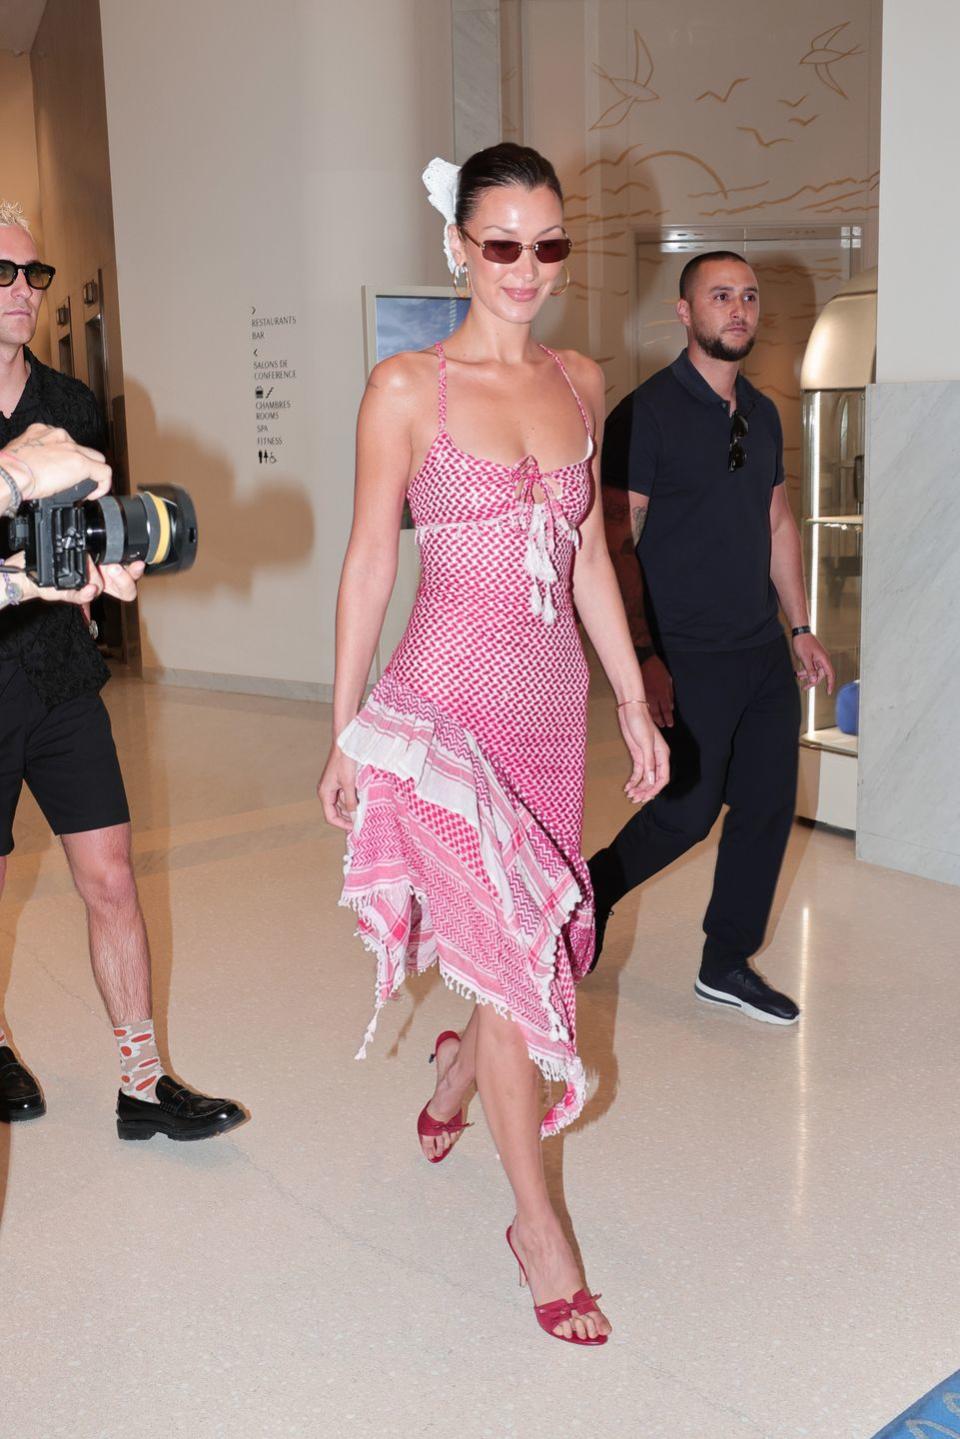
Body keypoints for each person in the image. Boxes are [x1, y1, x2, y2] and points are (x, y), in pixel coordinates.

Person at [319, 144, 668, 1344]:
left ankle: (467, 1064)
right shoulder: (407, 388)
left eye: (549, 244)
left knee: (520, 945)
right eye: (503, 242)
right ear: (459, 245)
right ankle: (537, 1225)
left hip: (547, 709)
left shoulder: (579, 380)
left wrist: (629, 697)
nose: (528, 267)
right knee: (521, 956)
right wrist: (344, 729)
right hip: (445, 707)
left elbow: (583, 558)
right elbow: (371, 559)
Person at [0, 200, 245, 1141]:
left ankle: (143, 1082)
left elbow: (92, 531)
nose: (24, 291)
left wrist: (113, 569)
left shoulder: (70, 404)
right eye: (4, 274)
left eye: (35, 274)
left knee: (111, 879)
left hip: (62, 679)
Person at [589, 250, 835, 1024]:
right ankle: (590, 891)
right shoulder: (646, 413)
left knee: (767, 805)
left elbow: (777, 521)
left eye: (750, 298)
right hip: (684, 653)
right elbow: (617, 545)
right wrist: (644, 659)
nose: (739, 309)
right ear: (685, 313)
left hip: (758, 649)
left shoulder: (761, 413)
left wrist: (799, 625)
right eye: (720, 296)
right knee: (686, 812)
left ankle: (726, 961)